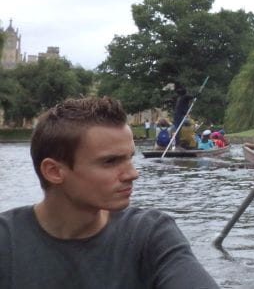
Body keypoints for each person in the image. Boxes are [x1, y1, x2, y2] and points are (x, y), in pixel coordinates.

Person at [0, 96, 218, 287]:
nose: (133, 174)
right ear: (54, 171)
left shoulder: (150, 234)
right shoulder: (6, 241)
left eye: (129, 157)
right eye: (111, 161)